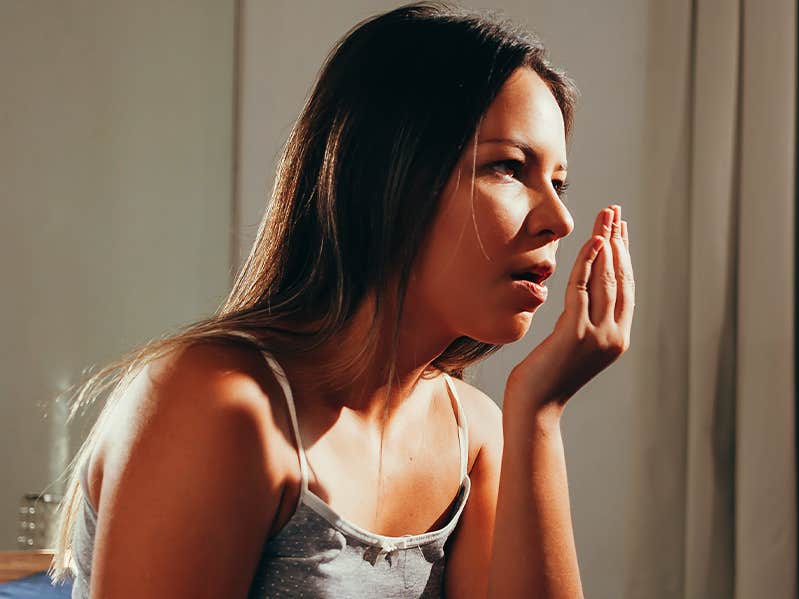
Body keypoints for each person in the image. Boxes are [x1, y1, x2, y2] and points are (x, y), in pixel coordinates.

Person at [49, 3, 634, 597]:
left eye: (558, 183)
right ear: (389, 177)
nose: (559, 219)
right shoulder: (222, 405)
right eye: (509, 168)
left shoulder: (475, 434)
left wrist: (538, 413)